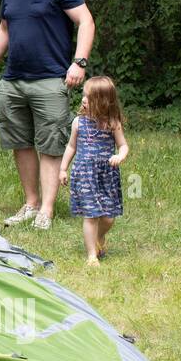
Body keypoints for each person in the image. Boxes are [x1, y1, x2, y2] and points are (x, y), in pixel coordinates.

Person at [0, 0, 95, 230]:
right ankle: (31, 204)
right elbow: (4, 28)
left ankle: (46, 209)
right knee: (20, 142)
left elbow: (85, 21)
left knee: (50, 144)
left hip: (49, 80)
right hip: (14, 80)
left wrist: (79, 62)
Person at [59, 76, 129, 265]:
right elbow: (71, 147)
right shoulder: (78, 122)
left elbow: (123, 146)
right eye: (84, 95)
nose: (83, 100)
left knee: (109, 217)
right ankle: (91, 255)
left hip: (106, 175)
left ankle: (98, 238)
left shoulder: (112, 123)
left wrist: (120, 156)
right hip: (85, 175)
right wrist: (63, 168)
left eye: (88, 97)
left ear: (103, 102)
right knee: (91, 215)